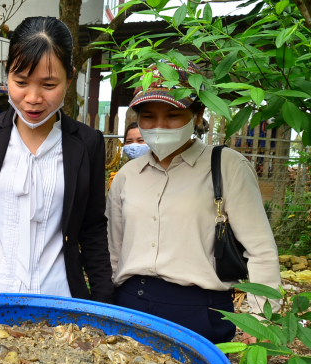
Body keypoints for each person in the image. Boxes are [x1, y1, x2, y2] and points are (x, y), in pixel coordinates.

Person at [106, 60, 281, 344]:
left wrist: (260, 321)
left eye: (173, 115)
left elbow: (260, 249)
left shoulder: (227, 167)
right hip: (130, 304)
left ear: (197, 115)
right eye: (148, 116)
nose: (159, 126)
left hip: (200, 312)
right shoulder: (128, 175)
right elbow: (114, 249)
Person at [0, 16, 113, 302]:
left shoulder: (87, 144)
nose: (33, 98)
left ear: (70, 77)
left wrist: (103, 302)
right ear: (7, 75)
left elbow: (92, 228)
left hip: (60, 298)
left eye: (48, 84)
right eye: (21, 82)